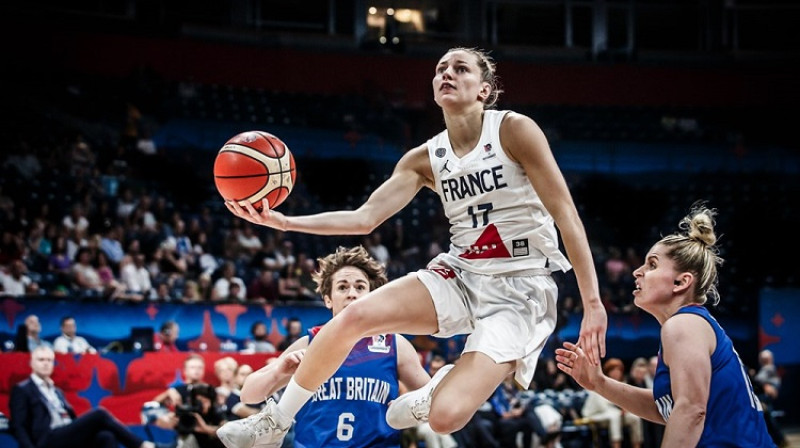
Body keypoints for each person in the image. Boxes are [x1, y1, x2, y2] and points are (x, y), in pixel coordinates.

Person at [222, 46, 607, 447]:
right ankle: (275, 422)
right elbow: (365, 218)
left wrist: (592, 304)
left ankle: (431, 393)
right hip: (460, 272)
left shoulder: (514, 130)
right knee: (354, 317)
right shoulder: (425, 157)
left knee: (446, 419)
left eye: (461, 69)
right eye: (441, 69)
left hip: (520, 286)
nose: (448, 74)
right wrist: (283, 222)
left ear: (485, 90)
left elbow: (566, 214)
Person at [556, 204, 776, 447]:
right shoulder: (688, 325)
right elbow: (669, 410)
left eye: (652, 264)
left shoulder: (684, 325)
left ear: (681, 281)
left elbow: (691, 411)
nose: (637, 272)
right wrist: (600, 383)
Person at [216, 245, 431, 448]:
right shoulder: (309, 343)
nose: (352, 293)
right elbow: (248, 394)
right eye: (343, 287)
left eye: (360, 287)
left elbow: (433, 398)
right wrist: (278, 371)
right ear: (328, 299)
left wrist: (409, 407)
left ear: (371, 296)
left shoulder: (395, 344)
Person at [10, 345, 168, 448]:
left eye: (49, 360)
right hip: (48, 440)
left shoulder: (56, 391)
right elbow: (19, 426)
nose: (45, 363)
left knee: (106, 436)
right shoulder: (23, 389)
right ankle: (143, 445)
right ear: (31, 363)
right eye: (41, 360)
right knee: (99, 413)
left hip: (67, 434)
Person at [580, 358, 643, 448]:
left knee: (635, 418)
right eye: (613, 370)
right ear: (608, 371)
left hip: (617, 413)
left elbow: (625, 403)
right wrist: (619, 409)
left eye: (618, 370)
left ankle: (637, 445)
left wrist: (625, 409)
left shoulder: (623, 384)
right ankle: (616, 445)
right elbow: (602, 406)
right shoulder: (601, 382)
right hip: (597, 413)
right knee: (615, 416)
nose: (616, 373)